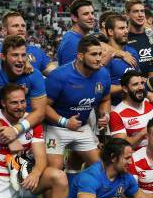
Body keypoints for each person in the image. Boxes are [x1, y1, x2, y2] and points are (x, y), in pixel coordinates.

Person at [45, 36, 111, 172]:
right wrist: (64, 122)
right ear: (80, 56)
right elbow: (42, 106)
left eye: (100, 54)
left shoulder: (103, 74)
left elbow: (105, 99)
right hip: (56, 127)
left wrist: (105, 114)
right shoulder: (59, 76)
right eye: (93, 54)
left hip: (82, 126)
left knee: (101, 168)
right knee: (55, 171)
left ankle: (74, 191)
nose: (99, 58)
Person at [109, 70, 153, 150]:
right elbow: (122, 148)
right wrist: (145, 131)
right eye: (135, 84)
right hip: (136, 158)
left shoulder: (152, 103)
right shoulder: (116, 114)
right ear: (125, 89)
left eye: (142, 83)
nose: (141, 87)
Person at [104, 14, 139, 106]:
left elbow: (139, 78)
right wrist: (129, 86)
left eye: (126, 28)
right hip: (113, 107)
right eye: (121, 28)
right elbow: (103, 88)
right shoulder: (104, 56)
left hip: (135, 104)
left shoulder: (132, 52)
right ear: (111, 31)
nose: (126, 31)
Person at [124, 0, 153, 75]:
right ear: (127, 15)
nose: (140, 15)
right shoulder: (123, 37)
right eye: (136, 11)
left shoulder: (152, 36)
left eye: (142, 11)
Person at [56, 0, 96, 66]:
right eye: (86, 14)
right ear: (74, 17)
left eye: (92, 13)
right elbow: (71, 74)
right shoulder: (72, 43)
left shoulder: (76, 37)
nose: (91, 17)